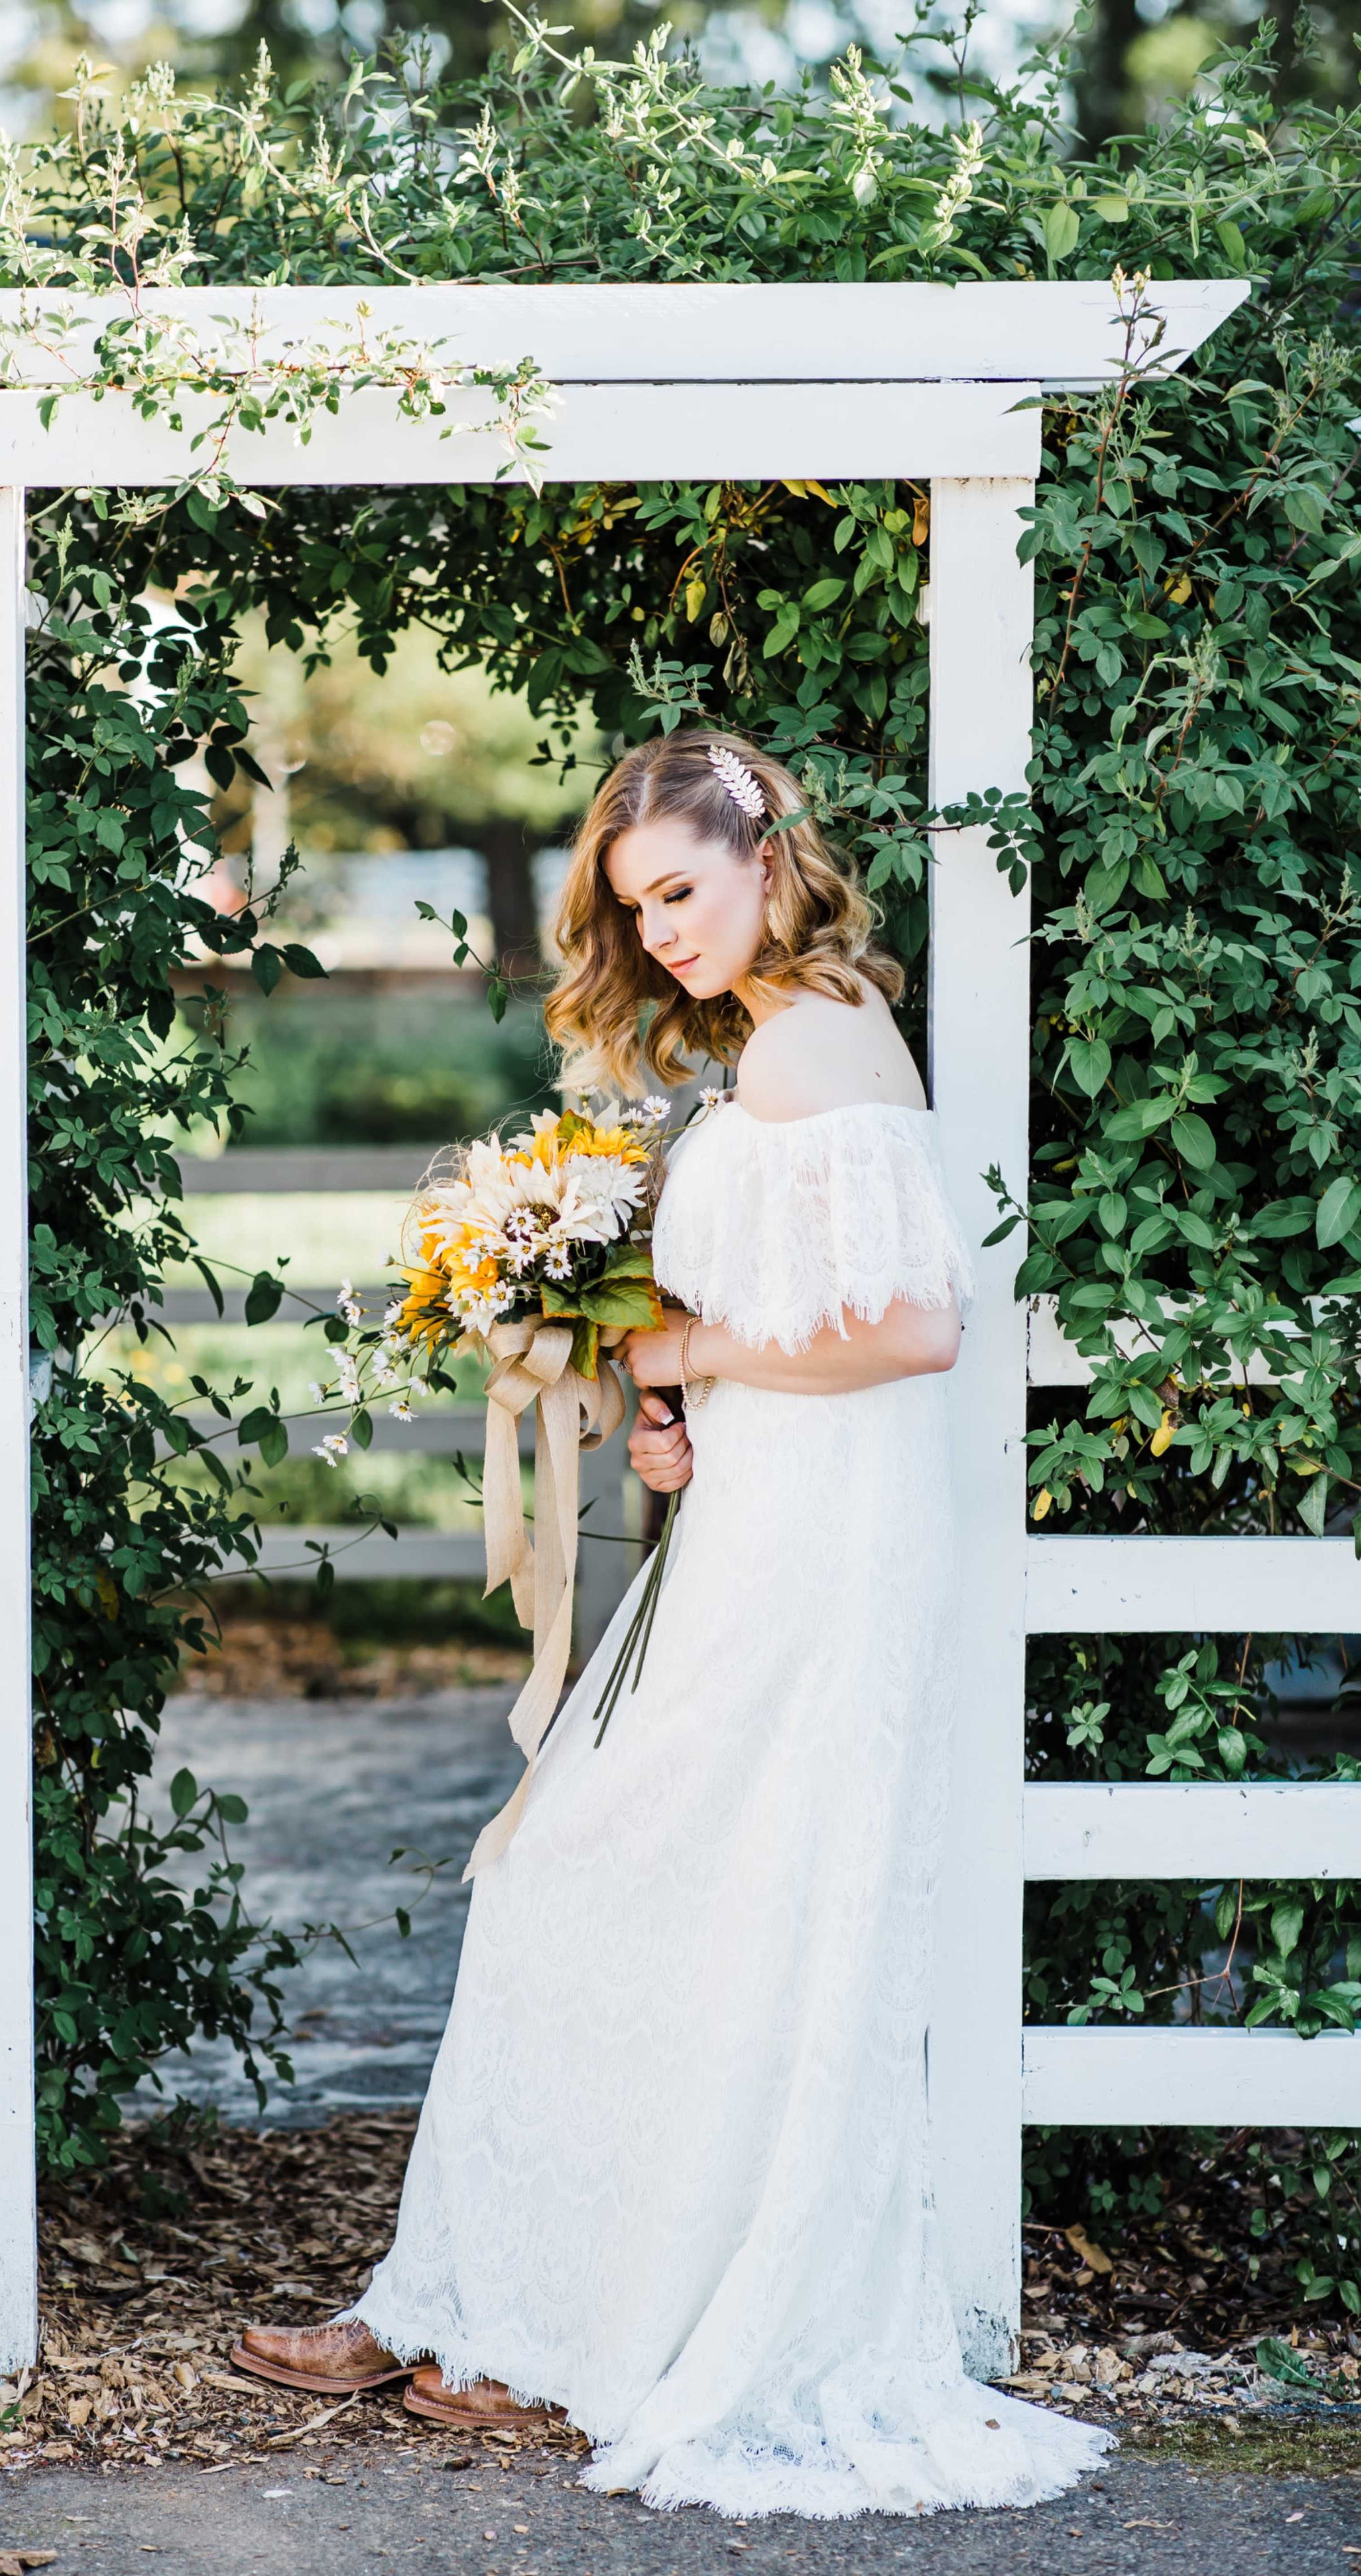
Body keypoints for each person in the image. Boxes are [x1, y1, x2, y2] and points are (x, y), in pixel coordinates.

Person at [230, 731, 1111, 2520]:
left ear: (764, 845)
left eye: (682, 893)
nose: (667, 933)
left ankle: (535, 2328)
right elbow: (817, 1310)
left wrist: (695, 1353)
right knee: (651, 1897)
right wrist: (678, 1407)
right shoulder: (791, 1028)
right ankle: (493, 2319)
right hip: (775, 1524)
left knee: (593, 1873)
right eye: (641, 911)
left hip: (820, 1565)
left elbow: (920, 1327)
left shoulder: (814, 1035)